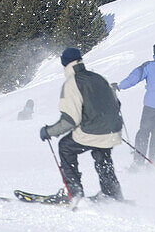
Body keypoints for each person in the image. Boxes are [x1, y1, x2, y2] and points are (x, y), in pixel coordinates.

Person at [39, 47, 123, 203]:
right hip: (113, 130)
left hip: (92, 132)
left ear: (65, 65)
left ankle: (74, 193)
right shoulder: (99, 77)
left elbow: (70, 120)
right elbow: (116, 103)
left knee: (65, 147)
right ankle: (113, 193)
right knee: (102, 153)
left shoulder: (71, 83)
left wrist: (48, 131)